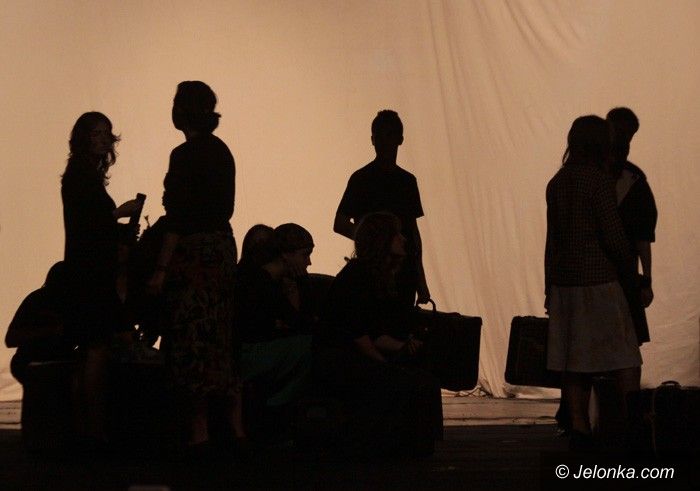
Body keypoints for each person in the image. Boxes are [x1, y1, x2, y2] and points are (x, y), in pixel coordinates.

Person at [147, 81, 244, 451]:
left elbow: (178, 216)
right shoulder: (222, 151)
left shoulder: (184, 155)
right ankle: (235, 427)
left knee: (192, 337)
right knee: (219, 334)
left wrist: (160, 268)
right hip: (221, 248)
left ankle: (199, 430)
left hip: (194, 254)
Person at [545, 115, 642, 450]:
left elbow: (552, 241)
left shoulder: (557, 182)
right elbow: (612, 236)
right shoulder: (598, 181)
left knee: (575, 361)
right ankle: (633, 424)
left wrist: (549, 285)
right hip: (600, 281)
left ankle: (579, 427)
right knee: (625, 356)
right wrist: (631, 270)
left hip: (564, 283)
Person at [316, 212, 442, 458]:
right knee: (400, 381)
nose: (403, 239)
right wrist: (385, 362)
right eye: (397, 234)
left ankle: (415, 445)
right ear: (383, 240)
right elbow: (358, 335)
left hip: (354, 354)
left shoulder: (377, 276)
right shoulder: (358, 276)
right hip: (339, 359)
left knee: (423, 379)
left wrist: (403, 346)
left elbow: (374, 332)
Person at [61, 111, 141, 447]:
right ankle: (93, 428)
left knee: (89, 349)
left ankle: (84, 427)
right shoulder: (82, 176)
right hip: (91, 274)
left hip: (85, 271)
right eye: (97, 133)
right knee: (96, 349)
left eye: (106, 132)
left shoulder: (81, 174)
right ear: (84, 138)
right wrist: (119, 215)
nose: (104, 138)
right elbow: (90, 224)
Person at [334, 110, 430, 308]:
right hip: (372, 271)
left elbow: (413, 234)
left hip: (402, 273)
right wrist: (375, 241)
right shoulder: (361, 179)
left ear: (400, 139)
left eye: (389, 135)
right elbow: (340, 223)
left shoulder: (407, 182)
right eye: (380, 136)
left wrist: (420, 280)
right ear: (373, 139)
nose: (384, 142)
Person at [236, 224, 315, 438]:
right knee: (311, 347)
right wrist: (302, 282)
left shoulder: (267, 281)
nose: (308, 262)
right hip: (247, 354)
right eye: (305, 255)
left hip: (253, 350)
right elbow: (301, 322)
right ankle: (276, 406)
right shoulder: (262, 283)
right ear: (286, 255)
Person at [607, 107, 657, 345]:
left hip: (594, 277)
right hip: (622, 276)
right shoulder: (634, 181)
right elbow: (643, 238)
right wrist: (645, 280)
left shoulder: (581, 178)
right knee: (624, 347)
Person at [5, 262, 75, 385]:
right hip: (33, 360)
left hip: (52, 361)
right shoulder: (37, 300)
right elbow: (11, 339)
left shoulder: (74, 304)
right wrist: (50, 331)